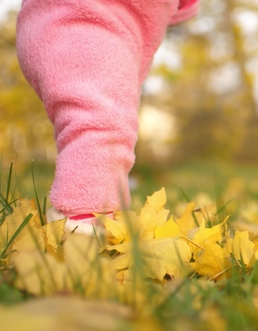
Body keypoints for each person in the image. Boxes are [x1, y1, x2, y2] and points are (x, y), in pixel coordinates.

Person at [16, 0, 199, 234]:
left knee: (92, 120)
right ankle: (84, 224)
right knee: (102, 124)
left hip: (70, 22)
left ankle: (95, 217)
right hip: (86, 18)